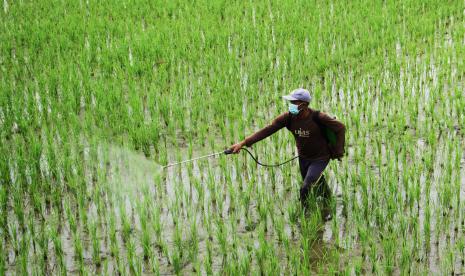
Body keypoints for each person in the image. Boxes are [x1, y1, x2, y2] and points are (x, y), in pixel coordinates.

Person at [228, 88, 346, 220]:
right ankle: (328, 201)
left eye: (294, 102)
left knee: (306, 186)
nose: (291, 105)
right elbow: (267, 130)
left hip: (320, 158)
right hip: (303, 157)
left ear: (304, 104)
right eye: (290, 102)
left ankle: (305, 214)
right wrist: (243, 143)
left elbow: (340, 127)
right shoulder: (288, 118)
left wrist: (338, 151)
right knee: (316, 181)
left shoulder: (318, 117)